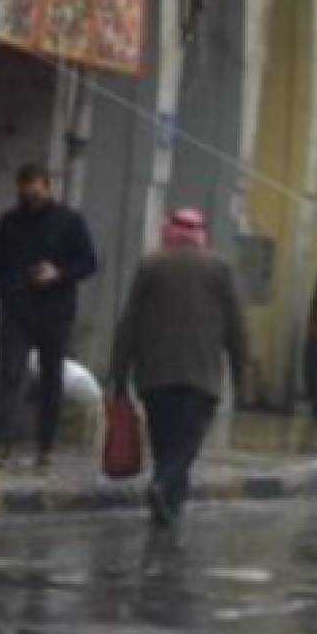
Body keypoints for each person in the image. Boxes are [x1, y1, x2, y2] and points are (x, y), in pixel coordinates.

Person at [108, 209, 247, 528]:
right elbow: (237, 327)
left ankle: (168, 506)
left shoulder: (151, 265)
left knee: (164, 439)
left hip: (154, 374)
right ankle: (162, 485)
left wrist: (119, 372)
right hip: (202, 375)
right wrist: (241, 374)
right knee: (186, 442)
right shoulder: (220, 269)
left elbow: (128, 322)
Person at [0, 163, 99, 469]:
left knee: (50, 379)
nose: (32, 194)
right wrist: (11, 288)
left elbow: (87, 262)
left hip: (54, 311)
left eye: (37, 187)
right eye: (26, 187)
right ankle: (1, 442)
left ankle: (46, 445)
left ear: (47, 187)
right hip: (18, 311)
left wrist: (58, 274)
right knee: (10, 374)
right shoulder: (10, 222)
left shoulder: (69, 222)